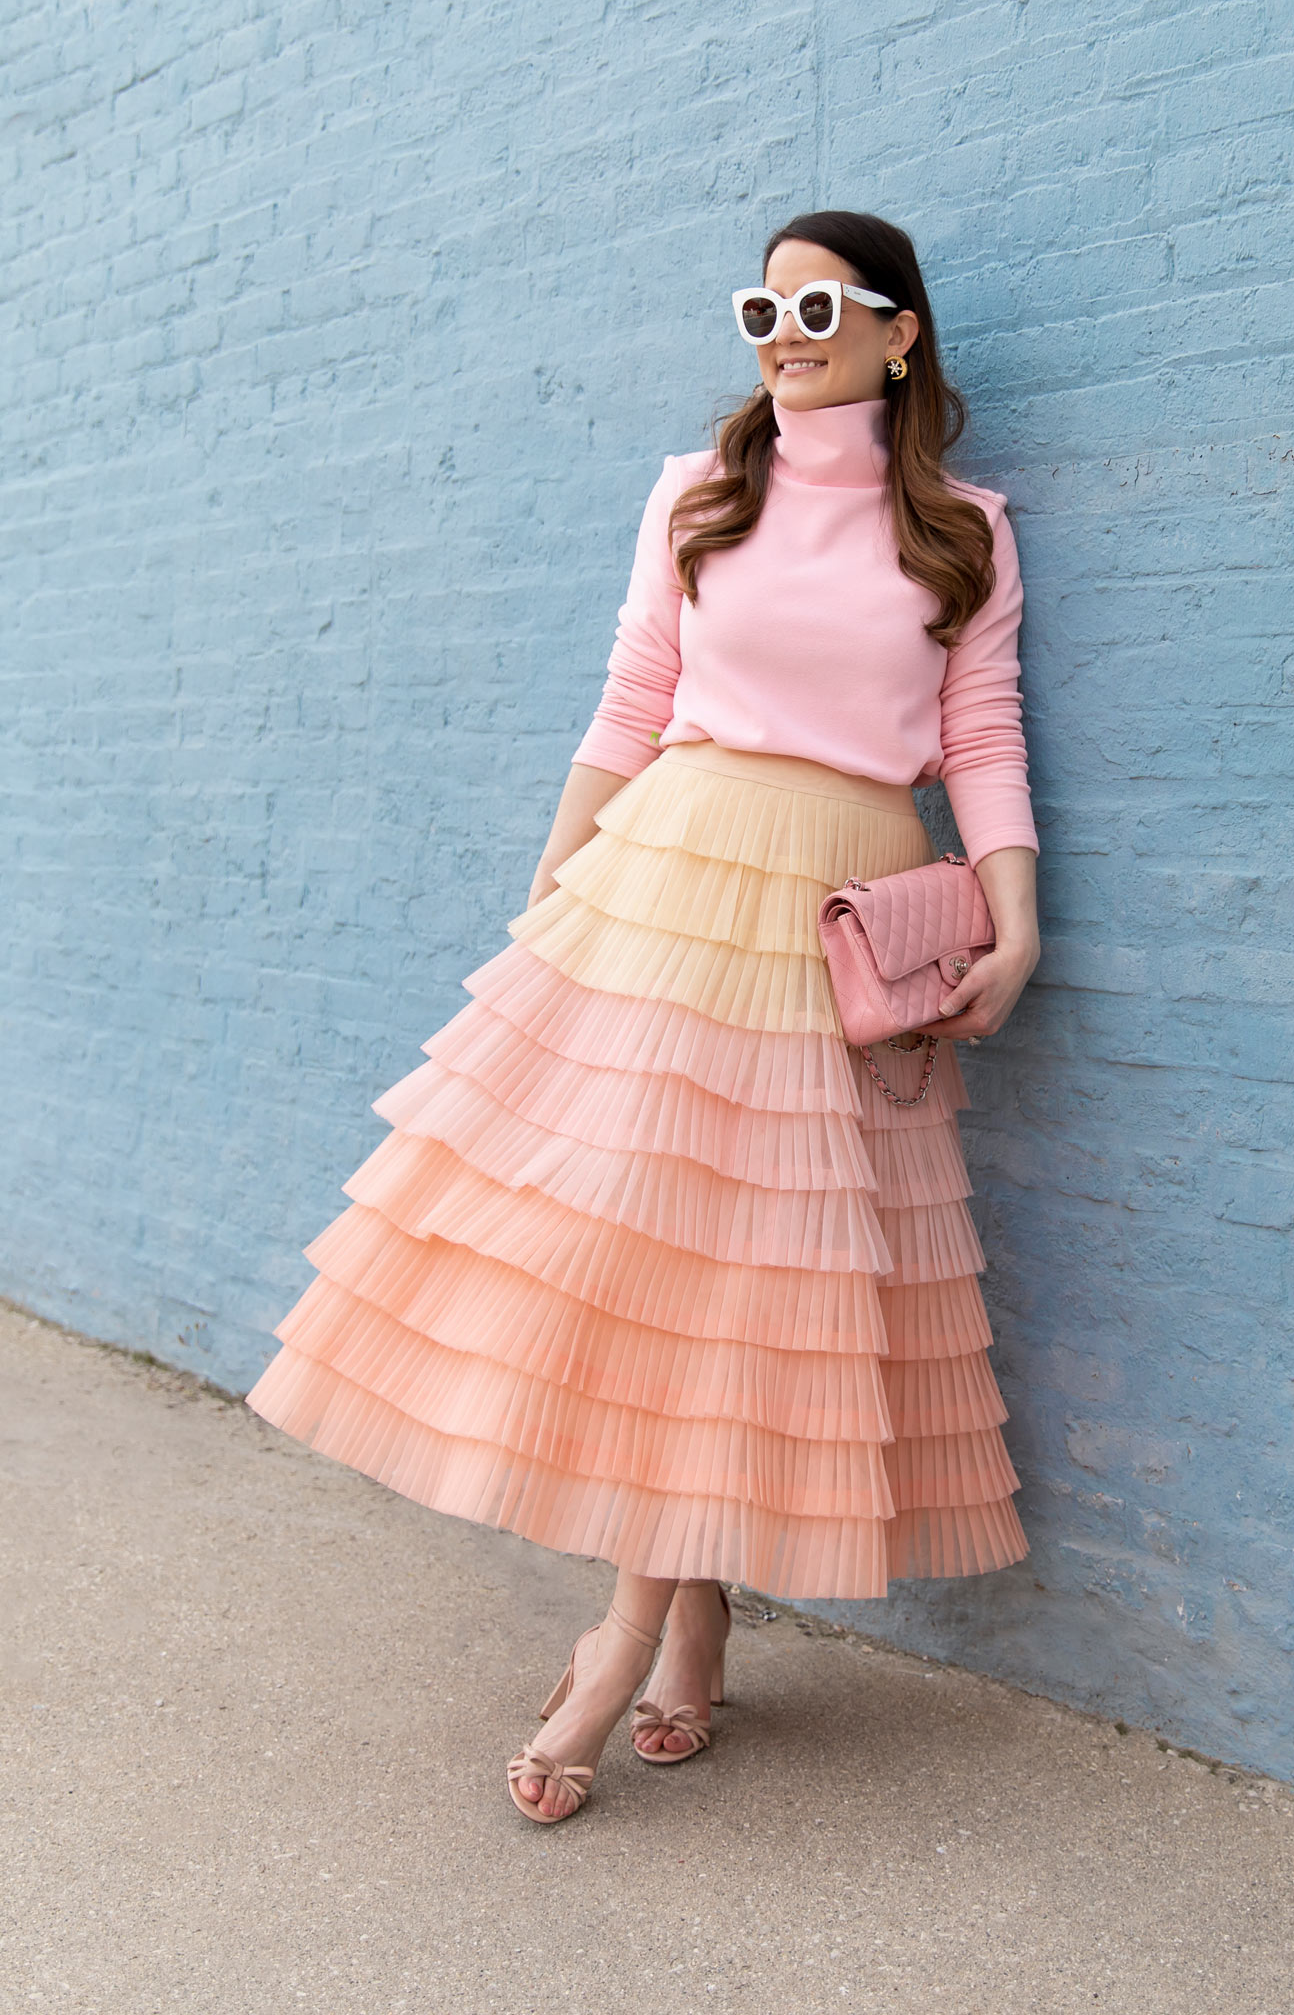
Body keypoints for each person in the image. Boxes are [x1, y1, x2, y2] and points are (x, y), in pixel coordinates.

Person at [246, 209, 1041, 1825]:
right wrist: (556, 886)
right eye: (763, 304)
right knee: (655, 1258)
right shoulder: (700, 491)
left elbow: (980, 726)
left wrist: (1018, 919)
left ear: (900, 333)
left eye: (820, 304)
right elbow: (632, 698)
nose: (784, 328)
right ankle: (654, 1628)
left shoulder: (963, 527)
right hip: (670, 884)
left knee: (745, 1281)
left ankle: (665, 1627)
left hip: (834, 914)